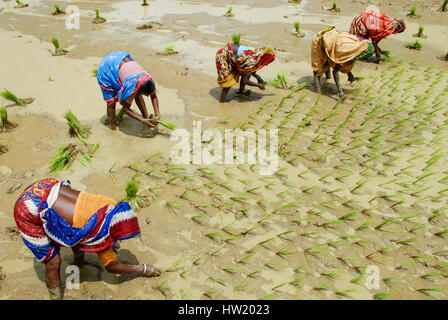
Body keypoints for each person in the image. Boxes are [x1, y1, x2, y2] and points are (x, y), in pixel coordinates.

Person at [13, 178, 161, 300]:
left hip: (45, 187)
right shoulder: (101, 233)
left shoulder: (110, 204)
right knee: (54, 262)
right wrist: (142, 268)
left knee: (78, 233)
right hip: (28, 209)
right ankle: (55, 295)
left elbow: (82, 227)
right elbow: (112, 268)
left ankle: (79, 262)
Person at [97, 51, 160, 130]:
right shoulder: (132, 85)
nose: (147, 96)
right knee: (111, 101)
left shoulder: (148, 79)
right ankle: (112, 125)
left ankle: (146, 117)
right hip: (107, 67)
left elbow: (153, 97)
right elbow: (125, 109)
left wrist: (157, 114)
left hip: (120, 58)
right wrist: (142, 120)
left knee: (137, 94)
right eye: (145, 94)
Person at [311, 27, 375, 99]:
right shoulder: (345, 50)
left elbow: (347, 60)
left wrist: (349, 74)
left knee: (328, 64)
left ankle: (327, 80)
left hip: (332, 41)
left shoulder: (355, 47)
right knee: (318, 69)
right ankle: (317, 93)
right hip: (320, 41)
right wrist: (340, 90)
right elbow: (335, 71)